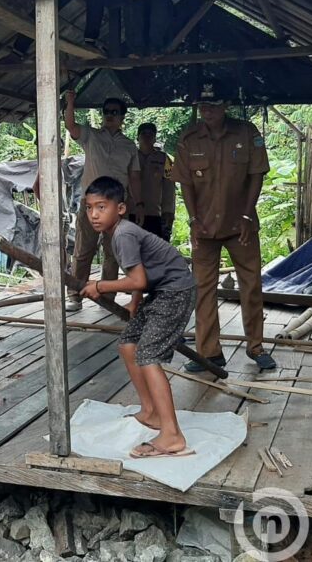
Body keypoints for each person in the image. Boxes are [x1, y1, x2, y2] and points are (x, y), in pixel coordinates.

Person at [80, 176, 197, 458]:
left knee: (148, 355)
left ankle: (172, 435)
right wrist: (135, 303)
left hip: (176, 291)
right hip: (160, 291)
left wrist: (100, 286)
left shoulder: (124, 234)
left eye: (101, 207)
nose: (94, 214)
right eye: (89, 208)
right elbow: (140, 276)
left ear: (120, 209)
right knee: (128, 344)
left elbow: (139, 279)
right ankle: (151, 412)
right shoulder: (118, 233)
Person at [171, 88, 277, 372]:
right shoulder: (188, 138)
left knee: (251, 284)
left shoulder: (246, 133)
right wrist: (193, 221)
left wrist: (246, 214)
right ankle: (209, 353)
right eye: (203, 105)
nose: (208, 110)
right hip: (204, 228)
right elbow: (185, 184)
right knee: (203, 289)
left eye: (214, 104)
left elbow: (257, 175)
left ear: (225, 105)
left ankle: (256, 347)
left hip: (239, 224)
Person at [65, 91, 142, 313]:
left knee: (113, 254)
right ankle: (75, 294)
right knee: (82, 251)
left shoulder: (129, 145)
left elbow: (134, 176)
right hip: (91, 203)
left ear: (122, 117)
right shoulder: (91, 136)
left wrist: (139, 204)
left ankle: (107, 298)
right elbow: (70, 126)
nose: (110, 115)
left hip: (117, 205)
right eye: (106, 112)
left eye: (114, 112)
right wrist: (71, 102)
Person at [135, 122, 176, 241]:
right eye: (143, 134)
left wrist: (168, 213)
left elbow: (169, 187)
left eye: (150, 134)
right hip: (133, 212)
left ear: (155, 138)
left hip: (155, 213)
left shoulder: (164, 159)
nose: (147, 137)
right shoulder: (130, 156)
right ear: (138, 137)